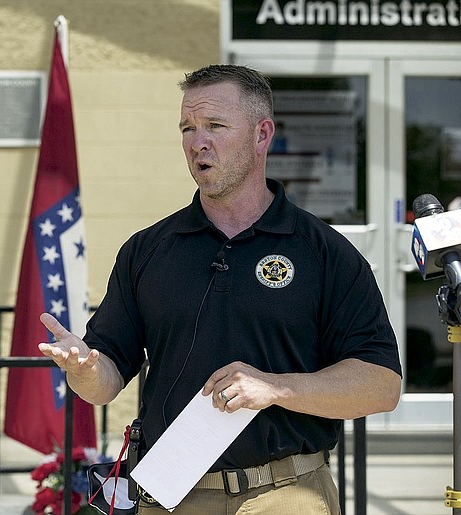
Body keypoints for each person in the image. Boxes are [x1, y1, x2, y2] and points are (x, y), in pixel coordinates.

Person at [37, 64, 402, 514]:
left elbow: (381, 385)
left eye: (215, 126)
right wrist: (85, 368)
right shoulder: (147, 251)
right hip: (172, 494)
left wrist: (275, 388)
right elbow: (104, 382)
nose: (197, 142)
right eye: (187, 128)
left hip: (289, 492)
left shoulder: (324, 253)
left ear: (261, 134)